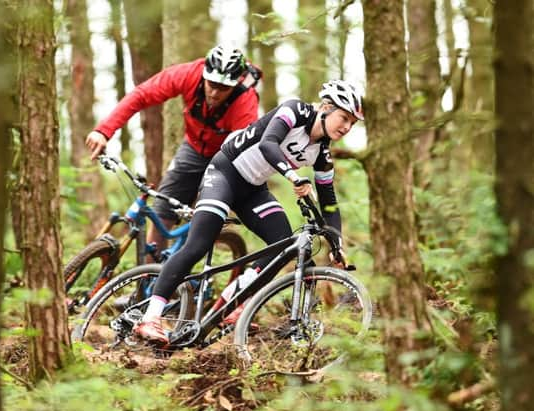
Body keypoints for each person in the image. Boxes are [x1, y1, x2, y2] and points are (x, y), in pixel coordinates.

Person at [133, 79, 365, 343]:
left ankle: (233, 302)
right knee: (197, 245)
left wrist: (337, 244)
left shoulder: (322, 153)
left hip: (253, 190)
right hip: (224, 173)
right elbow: (269, 144)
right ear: (325, 107)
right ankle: (149, 316)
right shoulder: (295, 111)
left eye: (352, 123)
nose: (346, 127)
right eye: (343, 117)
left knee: (282, 246)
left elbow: (329, 202)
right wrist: (292, 176)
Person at [85, 45, 261, 255]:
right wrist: (104, 131)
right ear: (204, 74)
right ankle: (148, 280)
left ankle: (199, 271)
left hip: (226, 157)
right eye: (212, 84)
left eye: (223, 88)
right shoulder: (189, 74)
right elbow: (142, 95)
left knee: (207, 218)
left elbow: (245, 149)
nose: (214, 93)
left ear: (235, 84)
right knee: (162, 211)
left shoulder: (244, 100)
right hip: (193, 149)